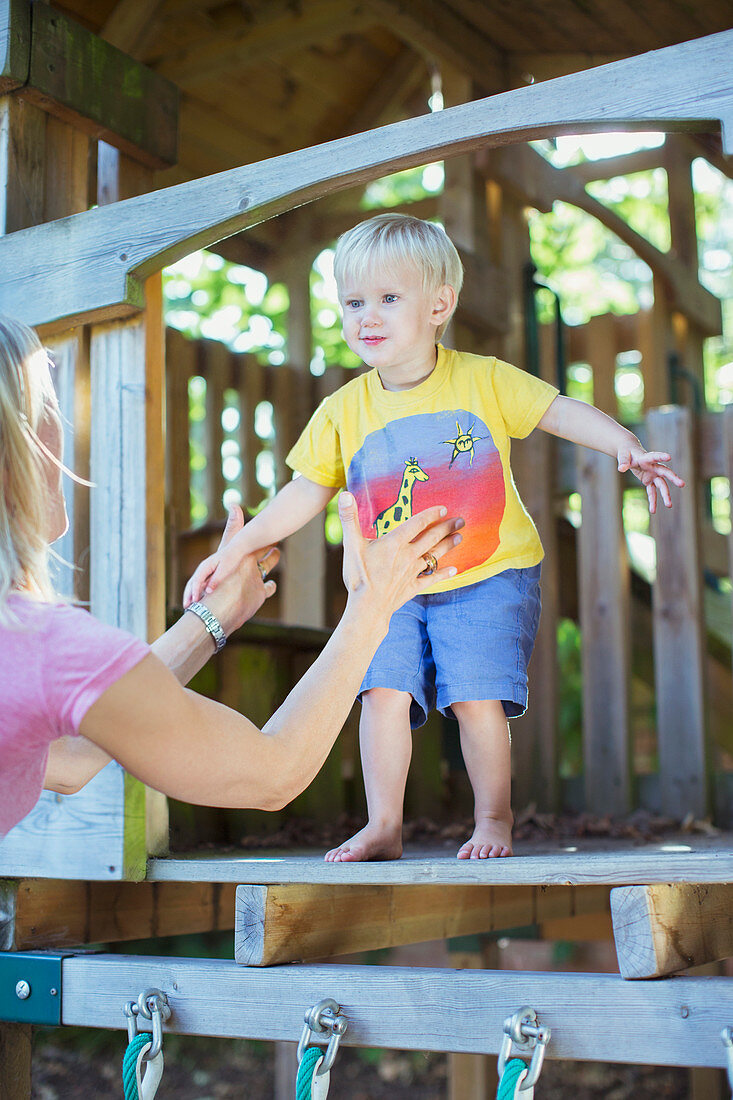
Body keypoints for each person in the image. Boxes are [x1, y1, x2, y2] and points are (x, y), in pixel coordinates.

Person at [184, 213, 685, 863]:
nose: (367, 315)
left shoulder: (481, 379)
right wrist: (237, 548)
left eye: (389, 298)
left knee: (475, 698)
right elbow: (302, 493)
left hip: (488, 573)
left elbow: (554, 409)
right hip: (390, 584)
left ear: (438, 305)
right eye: (354, 301)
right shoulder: (343, 411)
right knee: (382, 690)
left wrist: (623, 443)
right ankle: (383, 825)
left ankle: (492, 818)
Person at [0, 313, 462, 839]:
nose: (62, 426)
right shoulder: (35, 644)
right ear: (16, 446)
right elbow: (273, 773)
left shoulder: (29, 652)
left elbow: (76, 753)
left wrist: (213, 617)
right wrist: (372, 604)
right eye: (48, 404)